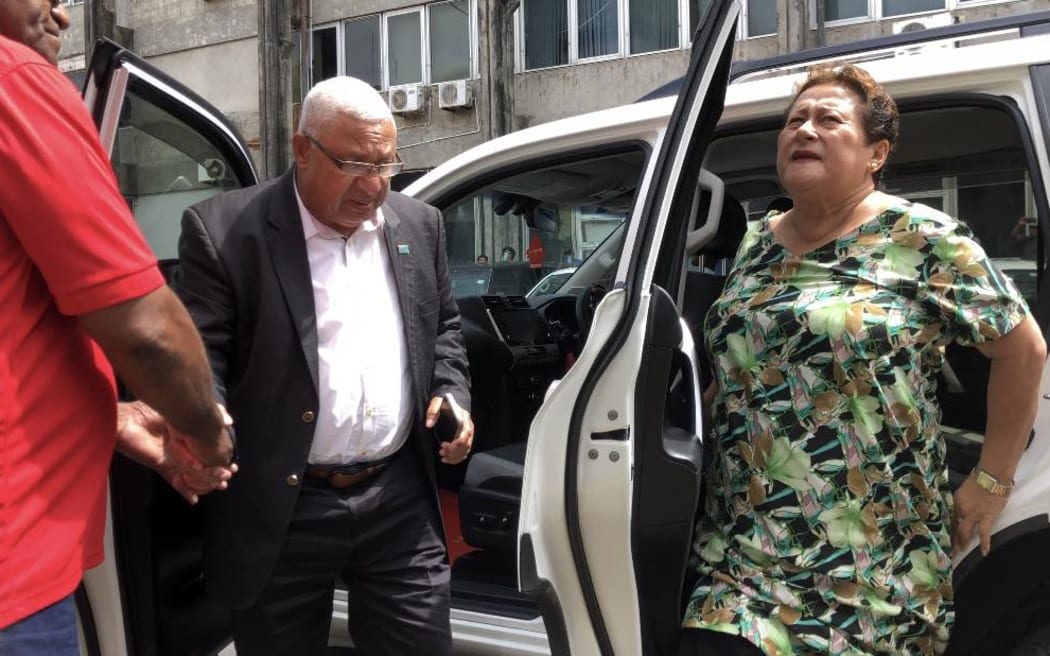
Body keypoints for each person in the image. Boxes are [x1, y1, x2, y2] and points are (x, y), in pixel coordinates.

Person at [680, 63, 1046, 655]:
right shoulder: (755, 244)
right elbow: (741, 363)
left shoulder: (924, 238)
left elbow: (1023, 349)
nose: (805, 129)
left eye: (828, 119)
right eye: (795, 120)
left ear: (876, 153)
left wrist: (991, 481)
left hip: (873, 559)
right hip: (742, 552)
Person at [176, 75, 474, 656]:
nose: (374, 186)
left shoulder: (419, 225)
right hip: (281, 506)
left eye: (387, 165)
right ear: (303, 148)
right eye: (355, 164)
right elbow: (200, 354)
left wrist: (452, 392)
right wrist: (203, 426)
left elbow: (443, 330)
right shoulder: (225, 232)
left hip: (398, 498)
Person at [0, 1, 235, 653]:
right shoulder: (15, 83)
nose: (63, 14)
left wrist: (106, 414)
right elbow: (146, 329)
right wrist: (206, 429)